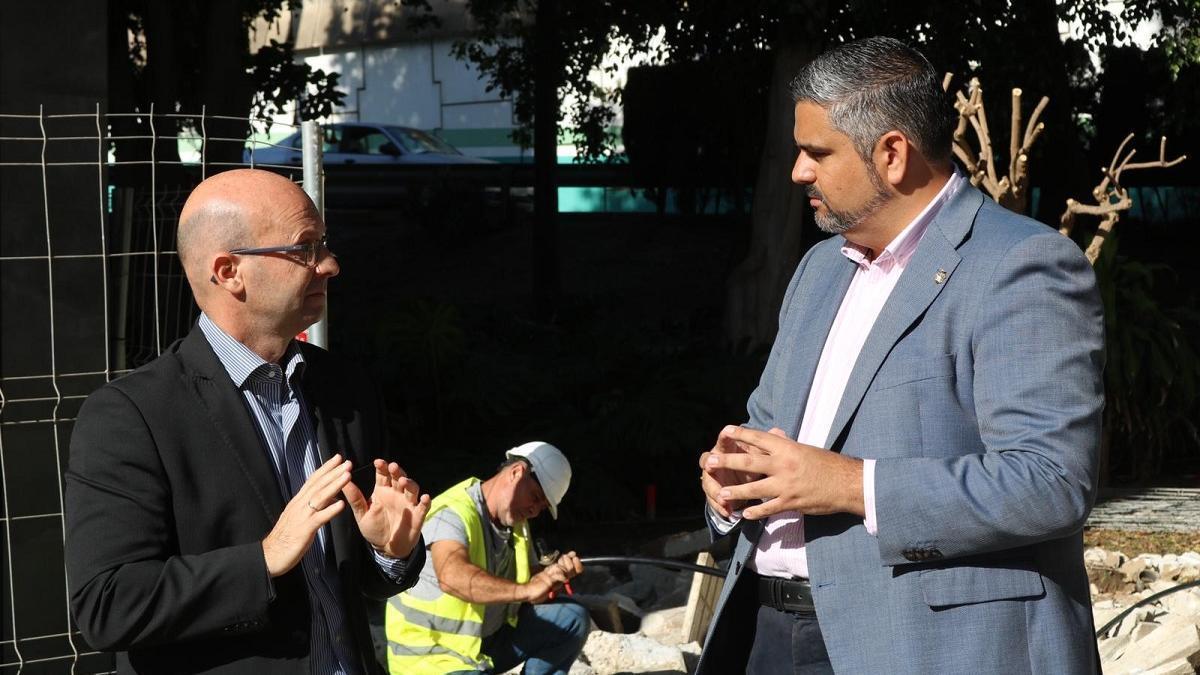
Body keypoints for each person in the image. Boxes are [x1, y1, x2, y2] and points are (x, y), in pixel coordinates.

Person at [696, 37, 1105, 674]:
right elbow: (766, 432)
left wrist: (849, 484)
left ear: (892, 154)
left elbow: (1051, 481)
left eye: (817, 152)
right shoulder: (817, 271)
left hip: (924, 647)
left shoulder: (1020, 265)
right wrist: (731, 484)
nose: (798, 171)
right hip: (768, 634)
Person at [66, 168, 431, 674]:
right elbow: (108, 606)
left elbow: (358, 581)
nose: (329, 264)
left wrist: (389, 551)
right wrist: (262, 559)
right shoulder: (132, 415)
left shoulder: (345, 390)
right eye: (305, 248)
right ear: (229, 271)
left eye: (323, 243)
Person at [386, 442, 589, 675]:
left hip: (482, 645)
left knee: (573, 618)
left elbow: (532, 589)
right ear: (516, 473)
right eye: (535, 497)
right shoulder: (453, 513)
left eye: (541, 507)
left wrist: (551, 576)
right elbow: (452, 577)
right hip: (431, 659)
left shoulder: (517, 525)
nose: (534, 510)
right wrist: (528, 589)